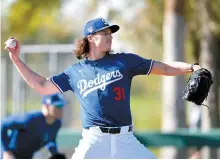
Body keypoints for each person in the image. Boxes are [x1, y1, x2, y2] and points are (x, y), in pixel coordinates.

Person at [4, 17, 203, 159]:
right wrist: (16, 59)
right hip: (94, 140)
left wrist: (191, 67)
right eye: (105, 33)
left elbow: (165, 67)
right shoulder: (75, 72)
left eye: (111, 33)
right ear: (91, 38)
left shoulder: (125, 61)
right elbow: (42, 86)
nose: (110, 36)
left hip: (126, 140)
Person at [1, 93, 66, 159]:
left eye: (62, 106)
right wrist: (7, 151)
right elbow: (3, 124)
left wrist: (55, 155)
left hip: (28, 156)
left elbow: (50, 141)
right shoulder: (30, 120)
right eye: (57, 106)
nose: (61, 109)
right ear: (46, 107)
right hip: (11, 155)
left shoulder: (57, 123)